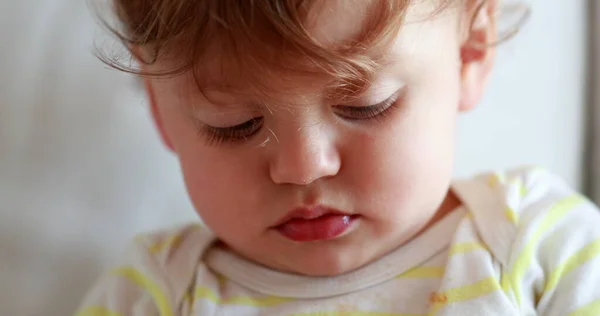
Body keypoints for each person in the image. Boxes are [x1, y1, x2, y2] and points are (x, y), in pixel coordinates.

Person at [76, 0, 600, 315]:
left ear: (469, 52)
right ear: (159, 108)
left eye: (365, 106)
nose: (303, 167)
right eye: (234, 125)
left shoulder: (537, 245)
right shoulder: (153, 292)